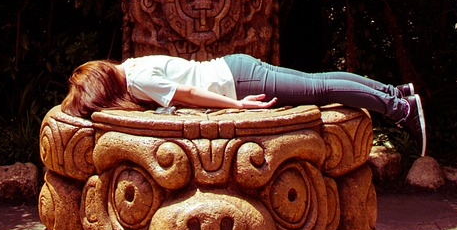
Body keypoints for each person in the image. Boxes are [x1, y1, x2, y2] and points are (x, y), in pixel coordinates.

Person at [62, 52, 427, 155]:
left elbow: (188, 95)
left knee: (321, 89)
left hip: (238, 82)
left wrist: (236, 107)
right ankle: (395, 92)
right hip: (235, 69)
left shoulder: (137, 80)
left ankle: (401, 109)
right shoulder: (131, 66)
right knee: (320, 82)